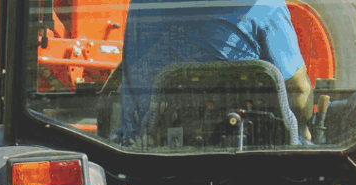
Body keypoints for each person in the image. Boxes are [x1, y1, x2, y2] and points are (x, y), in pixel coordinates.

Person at [117, 0, 313, 143]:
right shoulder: (266, 6)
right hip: (242, 158)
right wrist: (303, 129)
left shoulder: (142, 5)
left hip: (146, 152)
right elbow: (299, 91)